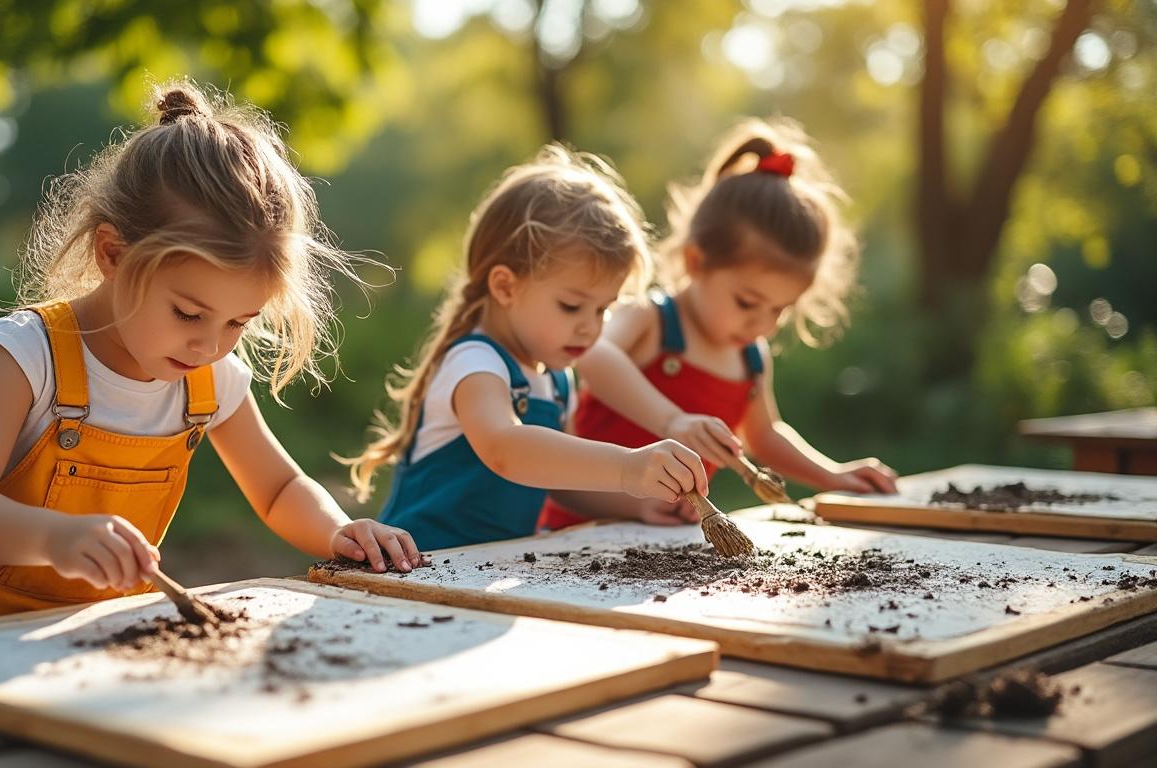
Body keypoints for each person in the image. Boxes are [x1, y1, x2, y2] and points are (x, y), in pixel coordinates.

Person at [0, 81, 422, 629]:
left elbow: (279, 488)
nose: (211, 346)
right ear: (114, 255)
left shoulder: (208, 379)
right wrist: (52, 537)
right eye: (189, 314)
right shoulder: (28, 355)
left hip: (89, 643)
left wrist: (338, 530)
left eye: (239, 322)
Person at [344, 145, 709, 551]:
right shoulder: (475, 363)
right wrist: (627, 465)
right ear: (505, 286)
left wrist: (635, 503)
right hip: (419, 567)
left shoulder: (556, 379)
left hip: (490, 569)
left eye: (604, 309)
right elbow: (506, 449)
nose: (591, 327)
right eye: (571, 306)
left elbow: (559, 483)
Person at [540, 119, 897, 531]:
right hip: (573, 534)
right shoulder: (651, 321)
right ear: (697, 262)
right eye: (748, 302)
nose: (762, 324)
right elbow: (594, 353)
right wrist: (671, 421)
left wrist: (833, 476)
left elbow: (764, 436)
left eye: (780, 310)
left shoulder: (749, 357)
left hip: (668, 544)